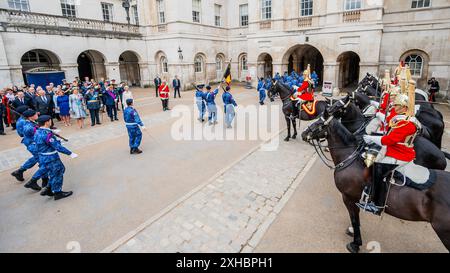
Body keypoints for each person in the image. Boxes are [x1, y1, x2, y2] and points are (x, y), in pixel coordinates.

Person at [358, 93, 420, 215]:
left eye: (398, 105)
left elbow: (388, 140)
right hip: (396, 149)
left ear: (405, 107)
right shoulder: (403, 119)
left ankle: (377, 205)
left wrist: (370, 138)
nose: (395, 107)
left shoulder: (406, 123)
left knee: (377, 167)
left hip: (400, 154)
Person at [35, 115, 77, 200]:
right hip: (51, 157)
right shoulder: (47, 134)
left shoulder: (38, 131)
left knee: (57, 171)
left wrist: (57, 139)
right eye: (50, 121)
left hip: (43, 156)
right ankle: (57, 192)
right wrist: (70, 153)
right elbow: (57, 147)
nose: (51, 122)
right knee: (58, 172)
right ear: (47, 122)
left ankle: (49, 188)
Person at [21, 109, 49, 191]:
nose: (37, 114)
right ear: (30, 117)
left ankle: (44, 180)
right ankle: (33, 181)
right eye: (35, 114)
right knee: (44, 163)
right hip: (34, 145)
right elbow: (36, 133)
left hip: (35, 144)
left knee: (43, 163)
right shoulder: (28, 126)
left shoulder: (31, 123)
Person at [10, 106, 37, 182]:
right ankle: (35, 180)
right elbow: (21, 133)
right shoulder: (22, 121)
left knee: (37, 157)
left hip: (33, 140)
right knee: (40, 157)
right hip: (31, 141)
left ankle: (20, 171)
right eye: (28, 109)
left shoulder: (25, 119)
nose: (29, 110)